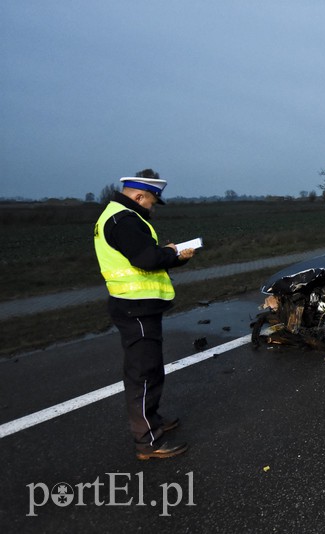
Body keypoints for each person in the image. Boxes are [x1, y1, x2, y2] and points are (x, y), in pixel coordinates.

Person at [93, 169, 196, 460]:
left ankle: (153, 421)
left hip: (137, 305)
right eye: (151, 201)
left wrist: (175, 257)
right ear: (139, 196)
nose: (151, 207)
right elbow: (147, 259)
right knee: (143, 373)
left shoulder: (118, 216)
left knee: (150, 369)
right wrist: (173, 254)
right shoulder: (124, 220)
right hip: (135, 306)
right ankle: (147, 442)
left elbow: (145, 258)